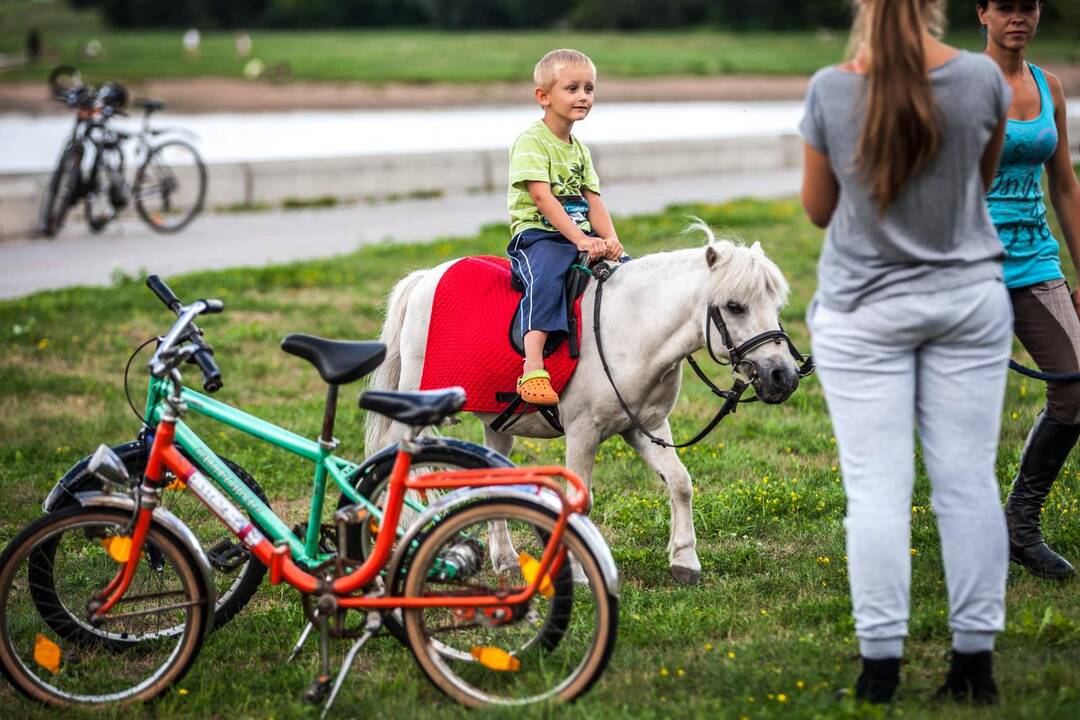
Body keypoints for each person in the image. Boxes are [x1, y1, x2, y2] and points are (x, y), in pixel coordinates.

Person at [800, 0, 1012, 705]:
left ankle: (879, 671)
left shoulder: (832, 89)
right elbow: (976, 186)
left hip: (863, 311)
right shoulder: (984, 79)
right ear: (936, 6)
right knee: (968, 484)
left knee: (876, 493)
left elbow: (819, 209)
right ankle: (973, 668)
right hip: (967, 303)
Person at [978, 0, 1080, 581]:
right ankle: (969, 530)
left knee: (1074, 387)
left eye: (1029, 7)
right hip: (973, 269)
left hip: (1036, 263)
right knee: (965, 407)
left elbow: (1064, 186)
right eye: (1006, 7)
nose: (1019, 17)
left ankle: (1021, 523)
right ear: (983, 15)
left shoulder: (1051, 88)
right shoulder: (965, 88)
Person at [507, 48, 623, 406]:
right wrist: (581, 239)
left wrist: (610, 238)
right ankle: (534, 366)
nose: (583, 96)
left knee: (626, 274)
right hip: (538, 236)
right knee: (547, 277)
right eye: (572, 88)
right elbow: (543, 199)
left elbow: (594, 201)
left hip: (578, 237)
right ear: (543, 97)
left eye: (589, 89)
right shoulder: (532, 142)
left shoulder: (580, 150)